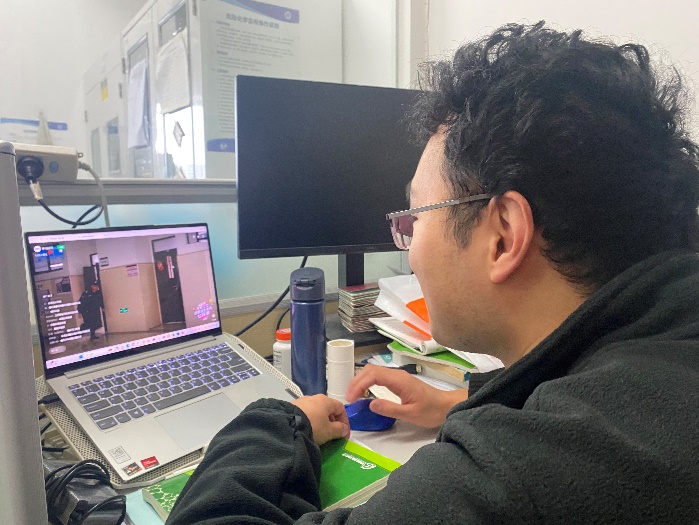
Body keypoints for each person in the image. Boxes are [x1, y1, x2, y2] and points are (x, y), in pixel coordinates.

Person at [167, 22, 699, 524]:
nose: (409, 249)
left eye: (415, 218)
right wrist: (461, 401)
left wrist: (278, 420)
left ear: (503, 235)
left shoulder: (520, 473)